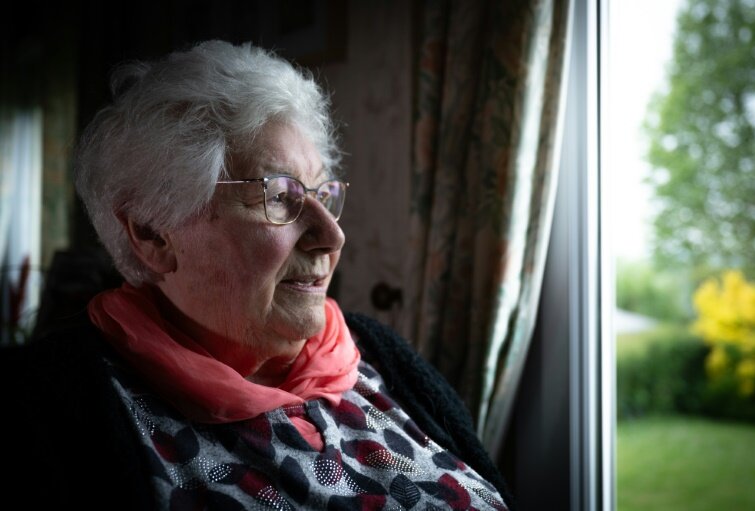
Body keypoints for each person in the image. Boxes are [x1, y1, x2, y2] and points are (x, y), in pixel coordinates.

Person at [0, 40, 513, 510]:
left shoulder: (379, 354)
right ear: (153, 235)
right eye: (278, 198)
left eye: (323, 194)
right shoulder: (49, 411)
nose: (332, 237)